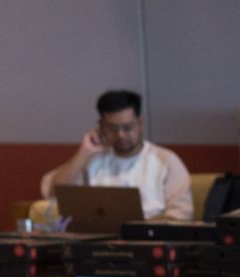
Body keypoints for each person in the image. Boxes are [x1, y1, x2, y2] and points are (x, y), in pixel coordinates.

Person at [39, 89, 193, 221]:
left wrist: (137, 229)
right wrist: (84, 151)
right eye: (112, 129)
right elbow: (53, 192)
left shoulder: (165, 161)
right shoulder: (92, 159)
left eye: (127, 127)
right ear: (101, 126)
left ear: (140, 124)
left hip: (149, 240)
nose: (120, 135)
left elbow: (181, 216)